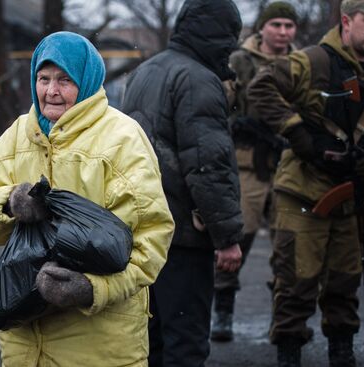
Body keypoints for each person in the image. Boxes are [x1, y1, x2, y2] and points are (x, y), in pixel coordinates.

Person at [0, 31, 175, 366]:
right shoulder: (16, 137)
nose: (51, 91)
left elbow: (151, 239)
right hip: (25, 344)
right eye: (43, 78)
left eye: (65, 80)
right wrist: (8, 202)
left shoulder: (122, 140)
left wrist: (91, 289)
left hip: (98, 347)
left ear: (87, 80)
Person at [247, 1, 364, 366]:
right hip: (305, 190)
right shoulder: (312, 61)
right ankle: (289, 354)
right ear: (348, 22)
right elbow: (261, 88)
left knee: (345, 284)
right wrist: (297, 132)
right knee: (296, 283)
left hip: (354, 196)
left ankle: (342, 351)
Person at [121, 0, 244, 365]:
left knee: (152, 342)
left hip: (144, 232)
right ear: (219, 34)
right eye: (230, 37)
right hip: (185, 236)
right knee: (185, 344)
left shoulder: (145, 71)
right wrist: (226, 238)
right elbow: (208, 165)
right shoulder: (198, 79)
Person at [211, 1, 299, 342]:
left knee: (289, 244)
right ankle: (223, 309)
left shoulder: (301, 62)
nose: (282, 32)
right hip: (247, 164)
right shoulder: (239, 61)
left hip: (290, 163)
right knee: (236, 239)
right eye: (275, 24)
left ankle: (285, 316)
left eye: (288, 26)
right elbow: (219, 106)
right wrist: (238, 123)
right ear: (263, 28)